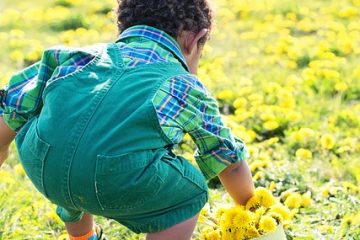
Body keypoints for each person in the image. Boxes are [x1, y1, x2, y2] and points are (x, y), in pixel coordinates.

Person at [0, 0, 255, 239]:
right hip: (115, 180)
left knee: (71, 130)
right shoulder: (184, 84)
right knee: (190, 192)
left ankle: (82, 235)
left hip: (43, 166)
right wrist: (252, 211)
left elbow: (11, 107)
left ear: (123, 26)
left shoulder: (75, 56)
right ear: (195, 39)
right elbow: (228, 161)